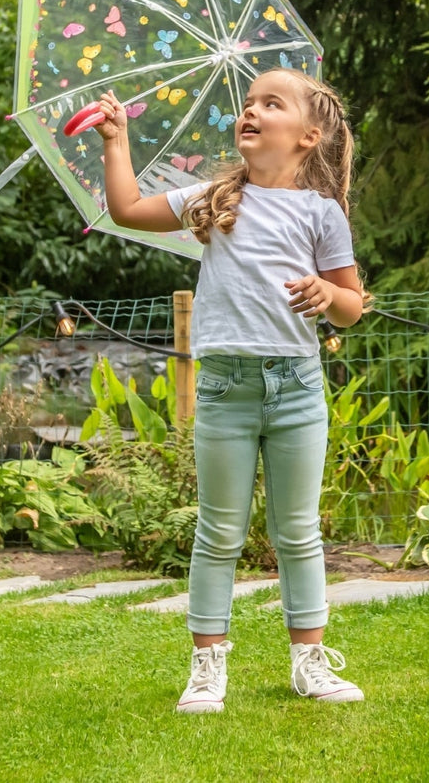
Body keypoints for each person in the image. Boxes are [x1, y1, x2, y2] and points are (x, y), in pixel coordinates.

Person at [92, 68, 365, 712]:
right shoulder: (213, 198)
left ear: (308, 136)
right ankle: (207, 667)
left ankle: (309, 663)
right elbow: (128, 209)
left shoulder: (322, 213)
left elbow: (353, 303)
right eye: (248, 103)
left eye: (272, 104)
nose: (252, 112)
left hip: (296, 388)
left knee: (297, 530)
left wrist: (329, 296)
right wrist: (115, 141)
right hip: (224, 388)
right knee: (218, 532)